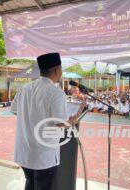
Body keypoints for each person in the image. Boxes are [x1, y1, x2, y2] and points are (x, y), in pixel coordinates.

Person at [11, 53, 79, 190]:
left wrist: (33, 115)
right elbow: (60, 123)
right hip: (43, 154)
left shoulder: (25, 88)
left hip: (24, 151)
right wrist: (72, 120)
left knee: (30, 183)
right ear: (56, 70)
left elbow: (14, 109)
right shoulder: (55, 92)